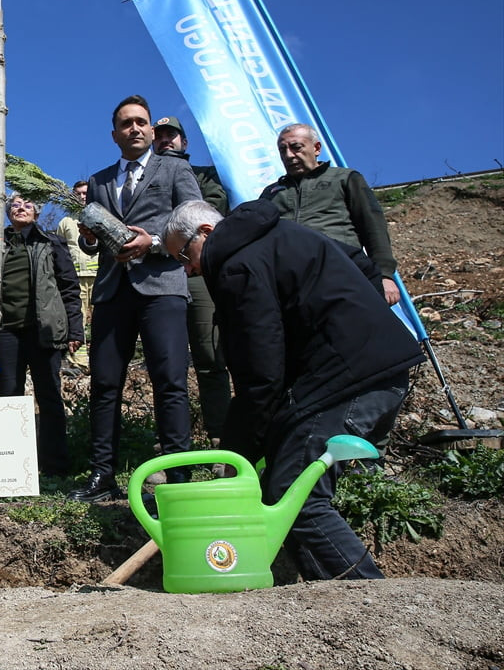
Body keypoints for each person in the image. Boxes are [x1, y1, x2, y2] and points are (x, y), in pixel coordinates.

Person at [163, 198, 424, 579]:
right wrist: (360, 322)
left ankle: (371, 599)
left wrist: (236, 453)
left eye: (184, 256)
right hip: (369, 367)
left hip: (347, 380)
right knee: (281, 489)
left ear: (206, 232)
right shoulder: (282, 232)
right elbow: (362, 263)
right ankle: (328, 598)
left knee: (296, 498)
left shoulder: (237, 266)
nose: (188, 270)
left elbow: (260, 373)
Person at [70, 95, 202, 503]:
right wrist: (89, 238)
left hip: (162, 287)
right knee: (105, 384)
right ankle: (102, 474)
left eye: (141, 122)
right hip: (112, 292)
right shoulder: (99, 180)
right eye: (126, 123)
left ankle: (178, 477)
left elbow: (195, 221)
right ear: (115, 134)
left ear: (150, 129)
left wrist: (155, 242)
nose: (135, 129)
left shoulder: (175, 169)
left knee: (171, 382)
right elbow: (92, 245)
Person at [153, 116, 232, 444]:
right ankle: (170, 441)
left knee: (210, 357)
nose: (165, 140)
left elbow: (212, 212)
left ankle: (220, 438)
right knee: (166, 364)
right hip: (158, 273)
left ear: (184, 142)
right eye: (160, 136)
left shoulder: (205, 176)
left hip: (198, 270)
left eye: (172, 135)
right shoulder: (145, 179)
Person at [260, 123, 401, 305]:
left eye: (296, 147)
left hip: (342, 269)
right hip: (288, 280)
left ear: (317, 148)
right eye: (282, 150)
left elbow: (373, 226)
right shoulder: (271, 193)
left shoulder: (344, 178)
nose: (289, 155)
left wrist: (385, 275)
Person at [0, 194, 83, 476]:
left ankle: (55, 467)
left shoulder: (51, 242)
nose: (21, 208)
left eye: (27, 205)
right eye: (15, 205)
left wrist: (75, 329)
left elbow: (69, 287)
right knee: (9, 397)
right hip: (6, 332)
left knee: (48, 396)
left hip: (44, 330)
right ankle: (12, 468)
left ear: (36, 212)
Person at [55, 181, 96, 370]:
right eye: (78, 193)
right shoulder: (65, 222)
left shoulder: (100, 217)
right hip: (75, 278)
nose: (81, 197)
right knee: (77, 319)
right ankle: (78, 362)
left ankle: (100, 360)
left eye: (85, 193)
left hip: (99, 276)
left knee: (100, 319)